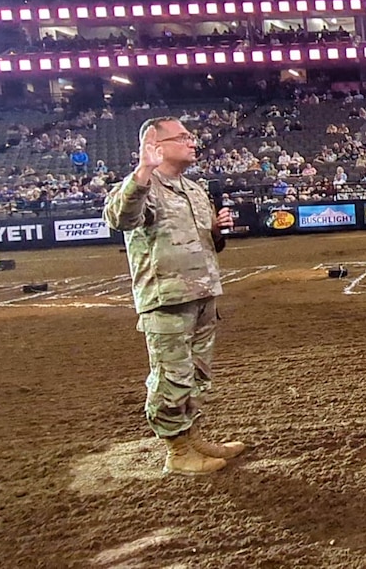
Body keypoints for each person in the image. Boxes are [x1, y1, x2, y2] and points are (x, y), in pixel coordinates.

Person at [103, 116, 246, 476]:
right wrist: (142, 172)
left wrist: (217, 230)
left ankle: (192, 438)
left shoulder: (195, 191)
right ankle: (178, 451)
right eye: (183, 137)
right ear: (156, 145)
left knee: (196, 375)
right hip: (166, 300)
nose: (193, 142)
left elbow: (210, 245)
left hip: (202, 295)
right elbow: (120, 219)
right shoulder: (143, 186)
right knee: (171, 377)